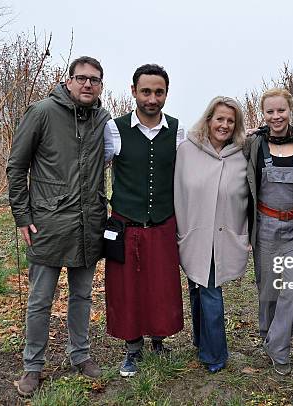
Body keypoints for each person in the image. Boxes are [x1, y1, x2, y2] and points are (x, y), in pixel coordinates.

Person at [7, 56, 110, 396]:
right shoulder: (41, 112)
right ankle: (32, 366)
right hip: (48, 225)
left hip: (88, 224)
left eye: (94, 80)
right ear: (68, 81)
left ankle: (80, 355)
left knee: (82, 295)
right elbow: (17, 166)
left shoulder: (102, 120)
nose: (87, 84)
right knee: (40, 300)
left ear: (100, 86)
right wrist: (23, 215)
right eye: (81, 78)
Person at [103, 64, 185, 377]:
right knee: (126, 288)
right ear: (134, 91)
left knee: (161, 285)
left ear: (166, 93)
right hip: (126, 223)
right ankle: (132, 348)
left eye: (159, 92)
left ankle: (159, 341)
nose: (152, 98)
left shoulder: (176, 130)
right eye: (146, 91)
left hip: (163, 221)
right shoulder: (114, 129)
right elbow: (96, 166)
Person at [174, 96, 249, 373]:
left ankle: (214, 354)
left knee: (210, 290)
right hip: (193, 233)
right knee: (196, 286)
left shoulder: (243, 154)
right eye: (220, 118)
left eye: (231, 120)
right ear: (208, 119)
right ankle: (200, 339)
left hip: (225, 235)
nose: (225, 125)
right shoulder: (186, 150)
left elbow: (251, 195)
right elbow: (176, 191)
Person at [246, 88, 293, 375]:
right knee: (268, 290)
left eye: (281, 110)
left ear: (290, 110)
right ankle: (267, 336)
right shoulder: (254, 144)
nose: (276, 116)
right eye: (270, 111)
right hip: (266, 227)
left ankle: (279, 345)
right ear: (263, 114)